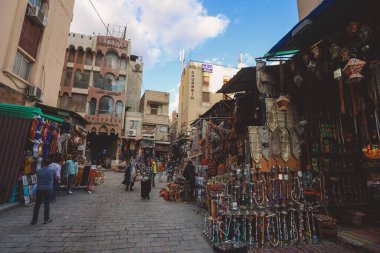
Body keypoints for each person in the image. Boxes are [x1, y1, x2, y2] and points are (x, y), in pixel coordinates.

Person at [31, 157, 56, 225]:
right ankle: (46, 219)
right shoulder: (52, 170)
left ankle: (34, 220)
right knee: (47, 204)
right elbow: (55, 177)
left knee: (37, 204)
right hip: (48, 188)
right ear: (49, 164)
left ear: (43, 163)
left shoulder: (39, 170)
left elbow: (36, 177)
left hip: (39, 188)